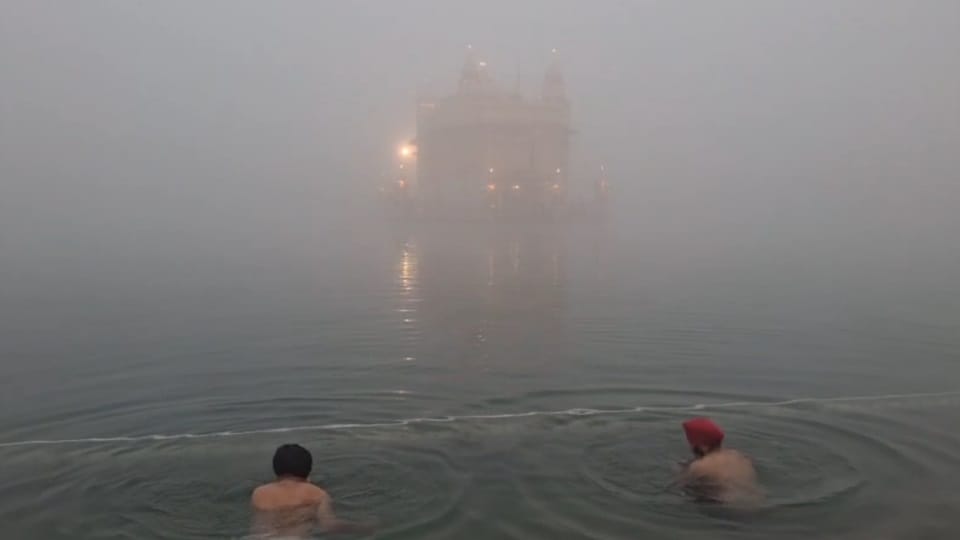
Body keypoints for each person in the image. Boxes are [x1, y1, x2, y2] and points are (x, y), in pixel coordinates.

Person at [250, 444, 375, 538]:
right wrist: (362, 527)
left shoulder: (259, 493)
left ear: (275, 469)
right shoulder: (317, 494)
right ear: (308, 471)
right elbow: (329, 525)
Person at [679, 417, 762, 505]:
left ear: (702, 446)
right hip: (758, 501)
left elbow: (680, 485)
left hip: (732, 509)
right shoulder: (738, 456)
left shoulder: (700, 466)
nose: (690, 447)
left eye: (691, 443)